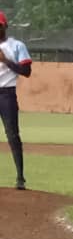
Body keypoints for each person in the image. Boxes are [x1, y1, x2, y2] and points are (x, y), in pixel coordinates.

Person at [0, 11, 31, 190]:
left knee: (12, 135)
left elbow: (27, 71)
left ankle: (20, 177)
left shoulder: (17, 46)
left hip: (6, 94)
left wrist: (6, 61)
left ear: (5, 27)